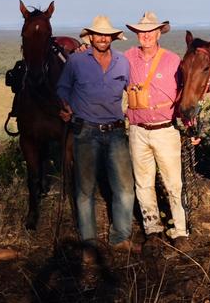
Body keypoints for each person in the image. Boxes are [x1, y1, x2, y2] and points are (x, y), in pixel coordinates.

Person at [57, 15, 140, 260]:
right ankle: (89, 245)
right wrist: (65, 105)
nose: (103, 38)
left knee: (125, 189)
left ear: (112, 38)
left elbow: (135, 89)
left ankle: (121, 237)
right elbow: (62, 87)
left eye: (107, 35)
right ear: (91, 37)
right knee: (85, 191)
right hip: (85, 131)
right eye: (98, 34)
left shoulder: (122, 62)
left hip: (115, 131)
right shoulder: (76, 61)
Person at [123, 12, 191, 252]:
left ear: (159, 33)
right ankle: (153, 229)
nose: (146, 36)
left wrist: (191, 125)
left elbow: (188, 93)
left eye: (151, 31)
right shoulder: (127, 58)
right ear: (137, 34)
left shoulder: (173, 61)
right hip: (138, 130)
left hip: (165, 130)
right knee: (143, 183)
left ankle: (181, 230)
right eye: (142, 31)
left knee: (174, 183)